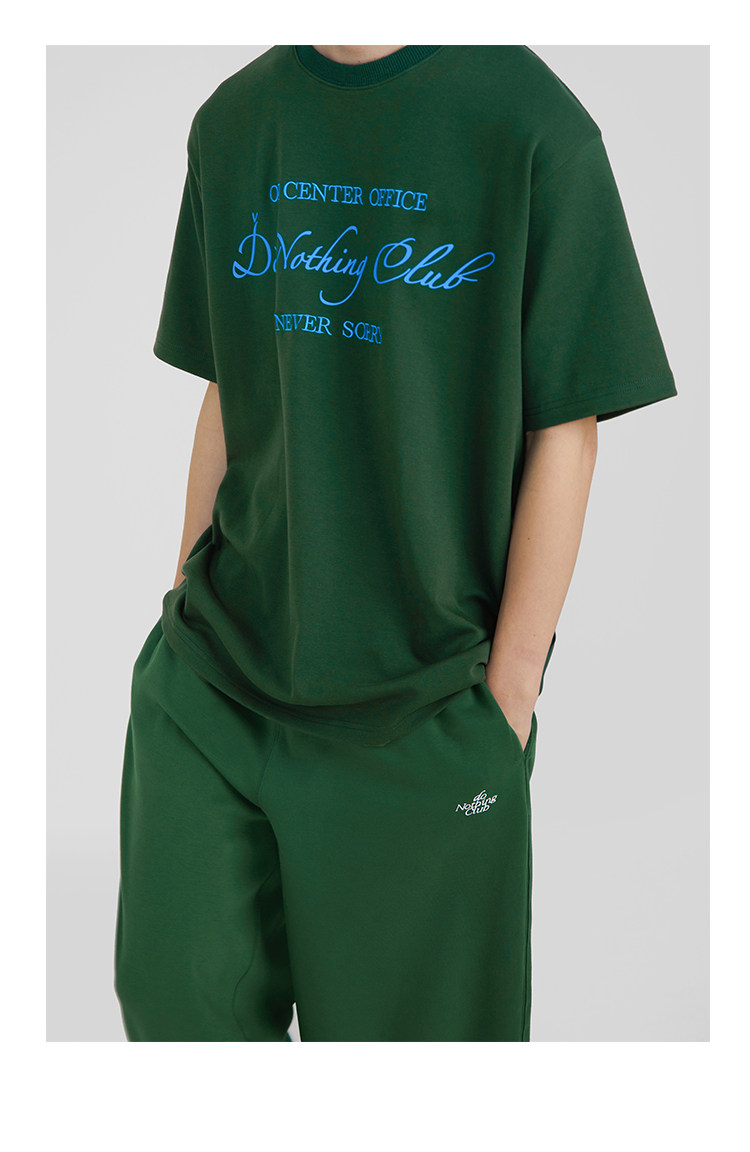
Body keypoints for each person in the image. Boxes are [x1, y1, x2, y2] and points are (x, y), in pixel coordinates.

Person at [114, 44, 677, 1042]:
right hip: (212, 689)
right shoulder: (234, 121)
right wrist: (180, 597)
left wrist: (507, 699)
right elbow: (230, 385)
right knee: (174, 1030)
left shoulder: (533, 127)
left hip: (421, 713)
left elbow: (567, 427)